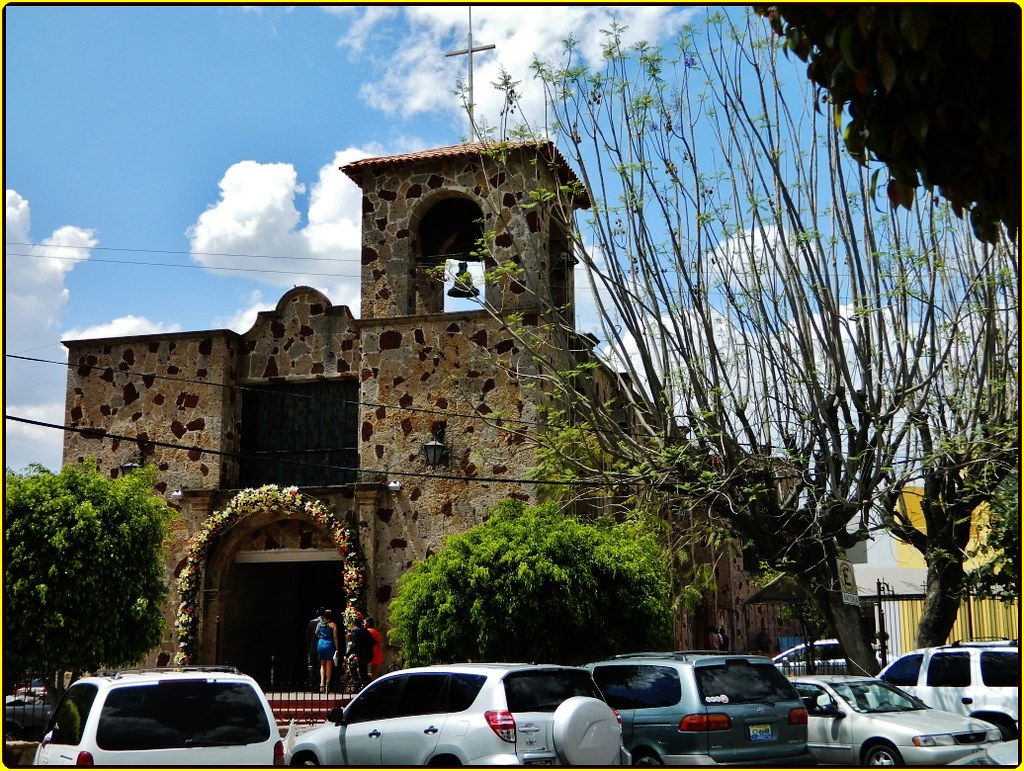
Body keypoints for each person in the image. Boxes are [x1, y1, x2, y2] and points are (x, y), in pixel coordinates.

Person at [348, 615, 375, 691]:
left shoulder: (354, 631)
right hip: (367, 654)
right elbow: (373, 642)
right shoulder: (366, 631)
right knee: (363, 670)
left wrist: (347, 654)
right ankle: (365, 684)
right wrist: (366, 647)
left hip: (360, 654)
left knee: (353, 666)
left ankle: (358, 684)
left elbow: (354, 645)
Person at [315, 609, 340, 692]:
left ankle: (321, 683)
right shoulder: (333, 625)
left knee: (322, 665)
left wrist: (321, 636)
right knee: (329, 665)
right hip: (329, 644)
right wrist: (337, 648)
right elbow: (335, 637)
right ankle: (327, 684)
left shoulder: (320, 624)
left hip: (321, 643)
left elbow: (316, 632)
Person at [305, 606, 326, 688]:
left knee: (311, 665)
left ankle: (312, 681)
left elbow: (307, 636)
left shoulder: (312, 622)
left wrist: (308, 646)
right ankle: (319, 682)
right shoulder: (326, 623)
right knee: (321, 665)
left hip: (312, 647)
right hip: (323, 646)